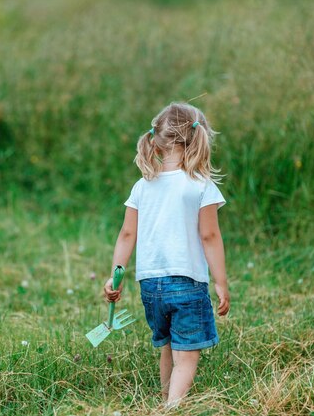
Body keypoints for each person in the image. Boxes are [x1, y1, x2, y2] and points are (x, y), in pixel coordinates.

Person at [103, 102, 230, 407]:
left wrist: (115, 276)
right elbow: (209, 235)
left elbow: (127, 235)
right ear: (196, 140)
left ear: (156, 140)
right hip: (187, 282)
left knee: (168, 347)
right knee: (185, 358)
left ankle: (164, 400)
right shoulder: (200, 185)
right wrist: (221, 281)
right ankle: (172, 409)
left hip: (150, 286)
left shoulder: (142, 185)